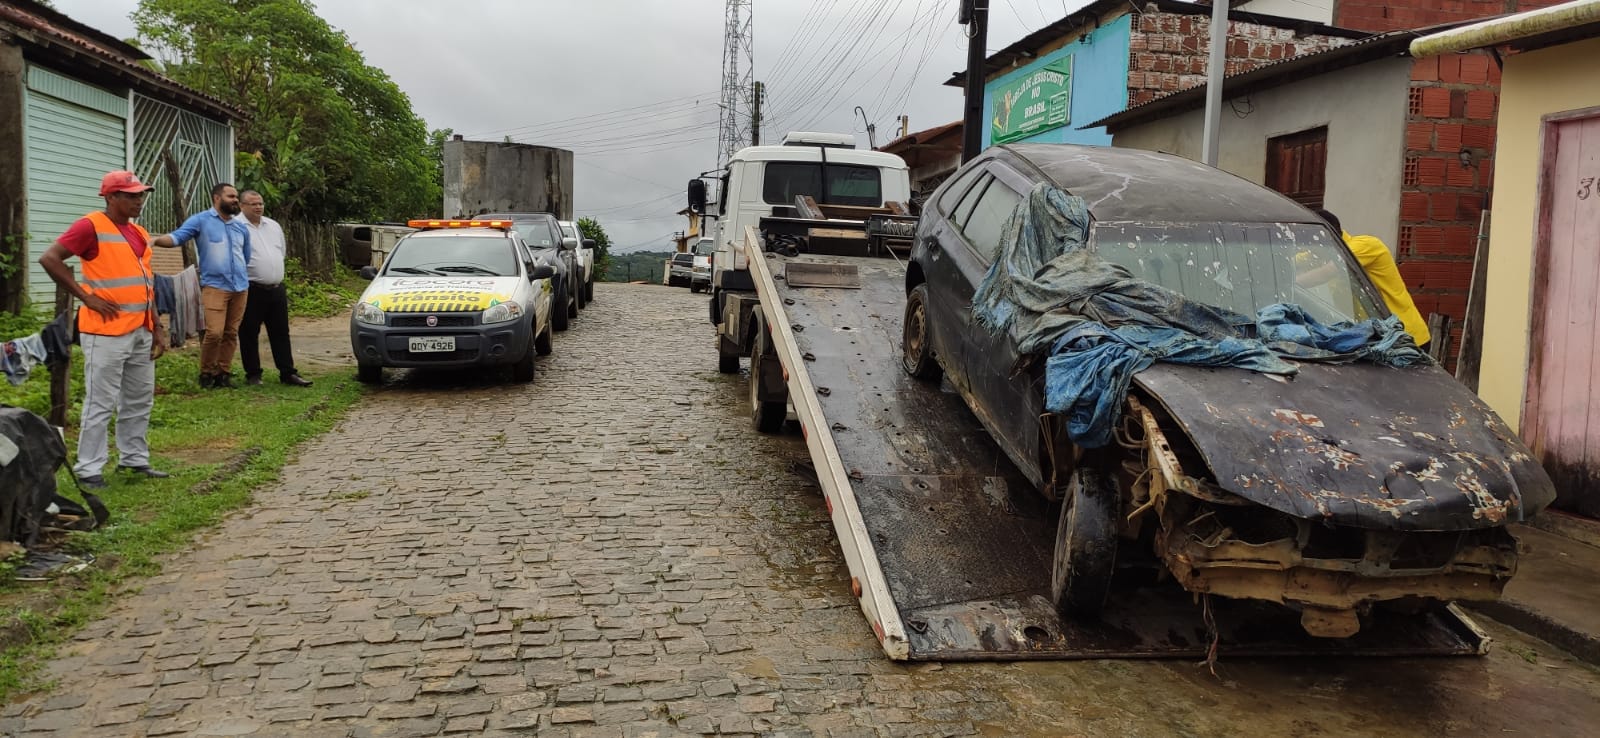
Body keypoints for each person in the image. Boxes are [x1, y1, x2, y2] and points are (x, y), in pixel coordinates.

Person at [37, 171, 177, 489]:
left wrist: (156, 327)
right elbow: (50, 258)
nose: (138, 200)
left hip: (140, 329)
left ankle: (134, 460)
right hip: (105, 332)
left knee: (139, 399)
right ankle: (89, 468)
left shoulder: (139, 232)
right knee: (101, 401)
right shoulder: (90, 226)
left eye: (141, 194)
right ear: (111, 197)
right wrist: (86, 296)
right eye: (131, 195)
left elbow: (147, 283)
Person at [152, 183, 252, 388]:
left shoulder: (241, 227)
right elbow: (178, 237)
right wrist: (153, 241)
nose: (235, 200)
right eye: (231, 196)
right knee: (214, 332)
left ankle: (223, 373)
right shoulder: (201, 221)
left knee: (231, 332)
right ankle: (206, 372)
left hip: (240, 287)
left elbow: (246, 255)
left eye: (236, 196)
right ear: (217, 198)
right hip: (215, 286)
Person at [1309, 209, 1432, 353]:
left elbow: (1325, 273)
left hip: (1405, 338)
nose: (1310, 247)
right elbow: (1292, 260)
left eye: (1310, 240)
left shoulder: (1365, 246)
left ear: (1325, 236)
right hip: (1375, 340)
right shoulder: (1322, 254)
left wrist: (1289, 284)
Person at [238, 191, 312, 387]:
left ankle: (288, 372)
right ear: (242, 206)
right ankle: (253, 374)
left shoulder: (273, 226)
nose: (258, 207)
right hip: (251, 287)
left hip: (276, 288)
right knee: (249, 332)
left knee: (280, 331)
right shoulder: (236, 226)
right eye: (253, 204)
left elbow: (282, 252)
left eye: (260, 203)